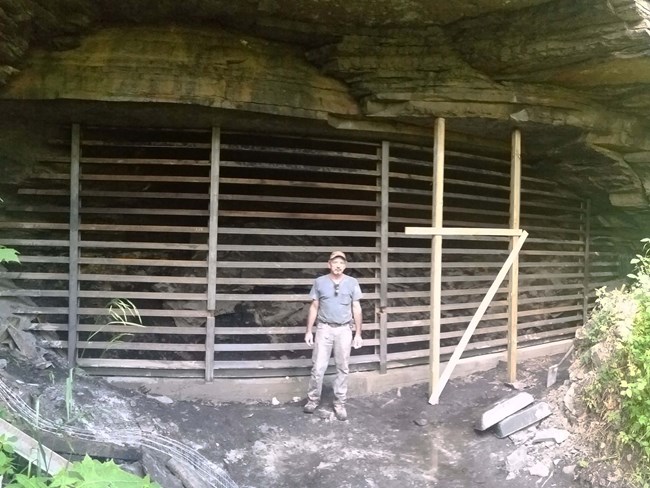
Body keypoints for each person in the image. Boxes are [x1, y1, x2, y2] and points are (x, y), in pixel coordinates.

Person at [303, 250, 363, 421]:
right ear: (329, 264)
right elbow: (314, 307)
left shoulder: (352, 283)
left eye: (341, 263)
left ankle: (340, 403)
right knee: (318, 367)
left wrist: (358, 333)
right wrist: (309, 331)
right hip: (324, 329)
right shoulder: (319, 282)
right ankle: (312, 400)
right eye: (335, 262)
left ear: (345, 265)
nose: (338, 266)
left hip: (344, 330)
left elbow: (356, 308)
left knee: (343, 368)